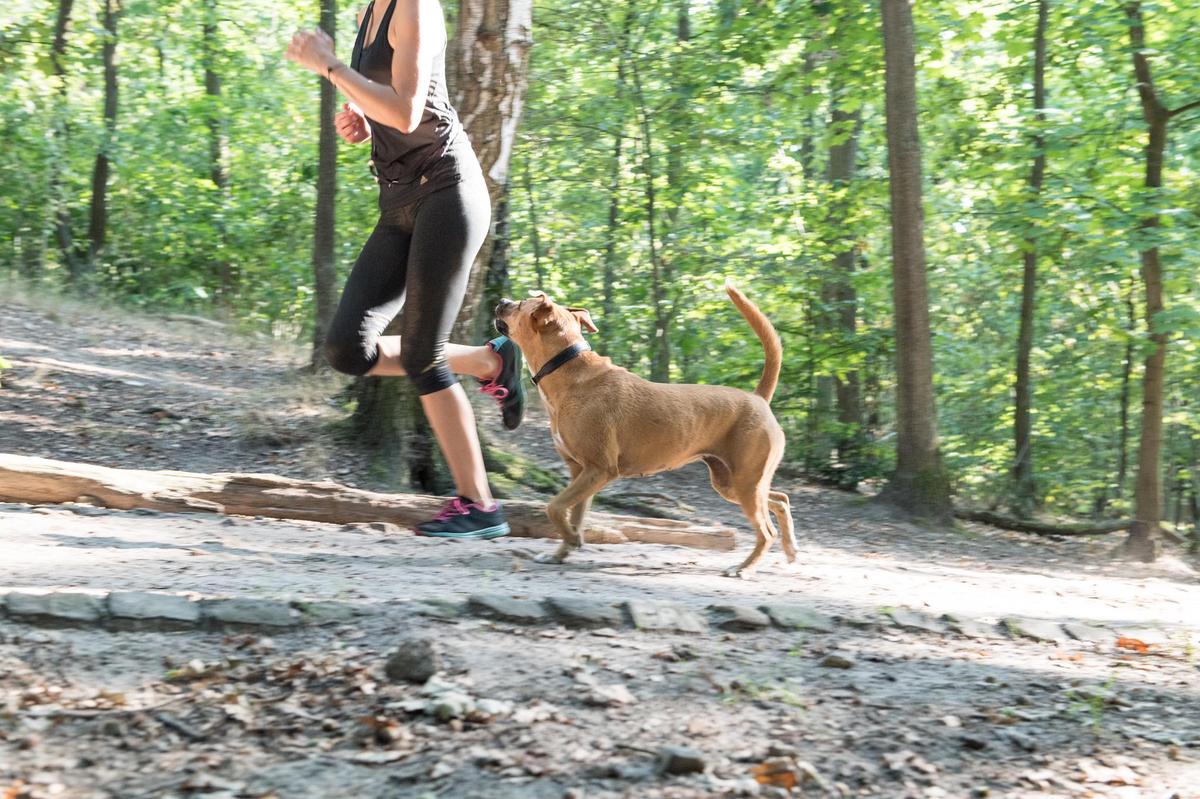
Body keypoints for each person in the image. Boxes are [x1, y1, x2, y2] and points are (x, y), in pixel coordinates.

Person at [285, 0, 524, 539]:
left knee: (422, 356)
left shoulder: (415, 5)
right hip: (398, 202)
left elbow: (411, 114)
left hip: (447, 191)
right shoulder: (373, 9)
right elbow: (389, 109)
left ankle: (481, 506)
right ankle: (490, 361)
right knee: (348, 348)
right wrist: (362, 122)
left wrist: (329, 66)